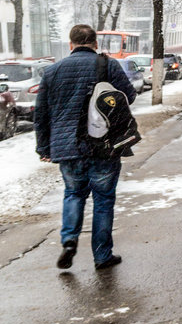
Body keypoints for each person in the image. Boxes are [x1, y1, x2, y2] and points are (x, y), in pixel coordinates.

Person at [34, 24, 137, 271]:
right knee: (103, 200)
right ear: (95, 43)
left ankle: (69, 240)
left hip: (67, 146)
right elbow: (129, 96)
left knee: (73, 194)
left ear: (71, 44)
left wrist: (44, 148)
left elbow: (41, 114)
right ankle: (102, 256)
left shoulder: (52, 72)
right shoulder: (108, 65)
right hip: (103, 144)